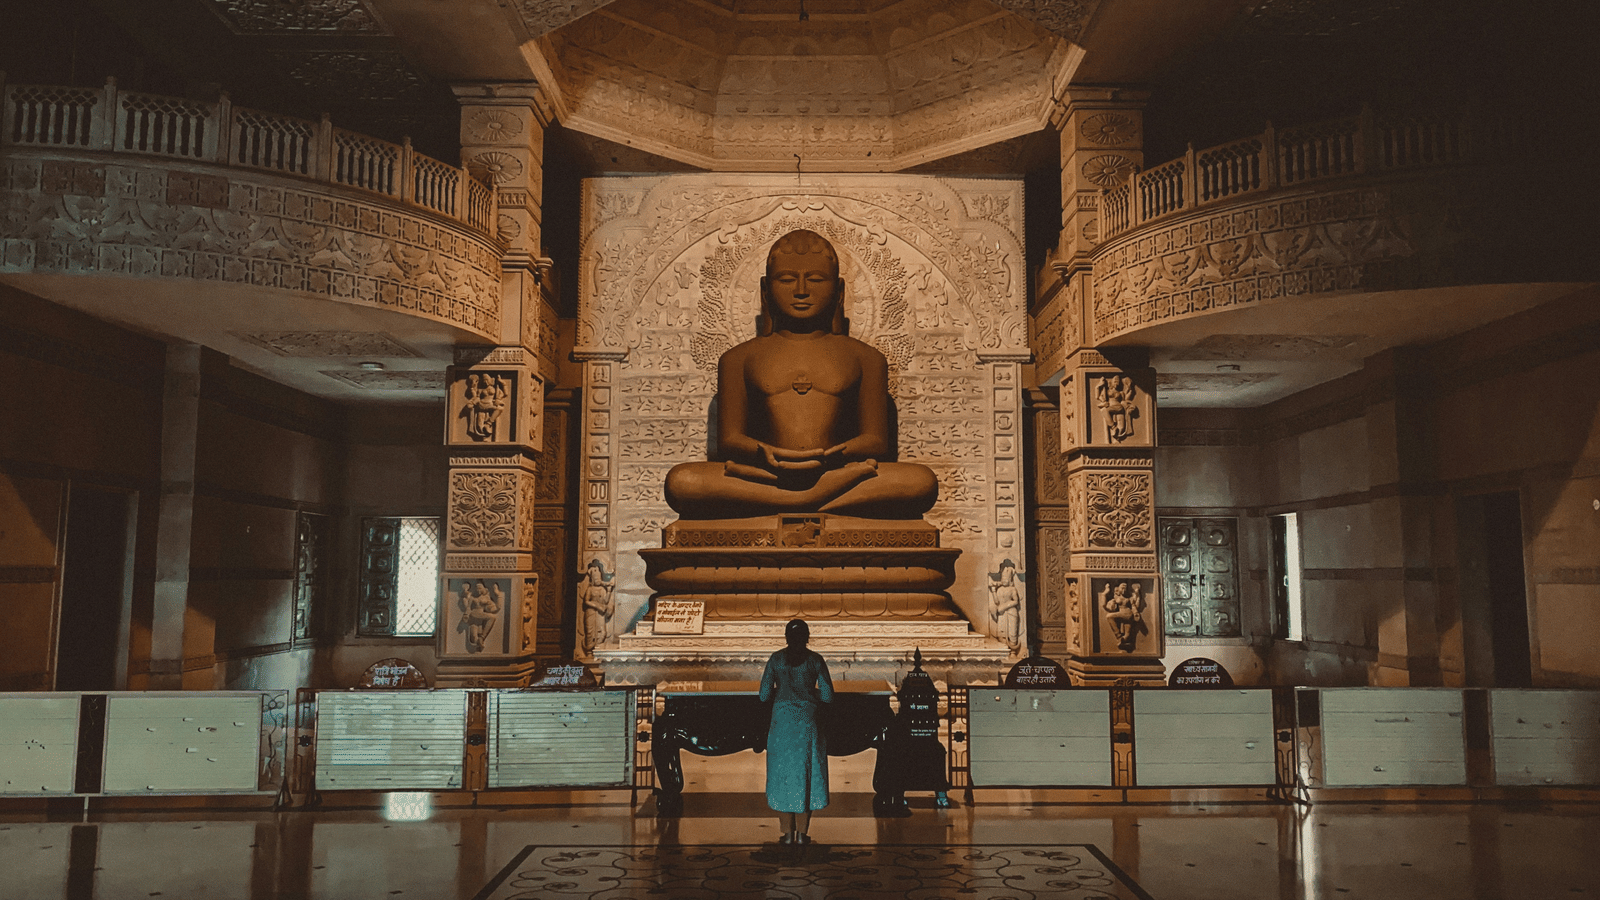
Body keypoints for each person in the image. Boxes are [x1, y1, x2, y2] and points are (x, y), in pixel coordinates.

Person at [664, 229, 938, 519]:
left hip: (839, 474)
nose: (802, 290)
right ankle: (813, 502)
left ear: (839, 290)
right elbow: (729, 440)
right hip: (766, 475)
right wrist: (766, 454)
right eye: (786, 280)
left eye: (816, 279)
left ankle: (793, 502)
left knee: (920, 482)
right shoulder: (738, 358)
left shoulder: (866, 357)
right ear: (765, 290)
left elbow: (876, 441)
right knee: (683, 482)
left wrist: (832, 456)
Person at [759, 618, 834, 844]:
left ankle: (787, 832)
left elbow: (763, 695)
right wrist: (809, 695)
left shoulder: (776, 660)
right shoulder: (815, 660)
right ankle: (802, 833)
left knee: (783, 774)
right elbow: (829, 695)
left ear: (786, 638)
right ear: (807, 637)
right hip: (807, 722)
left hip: (781, 722)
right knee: (806, 774)